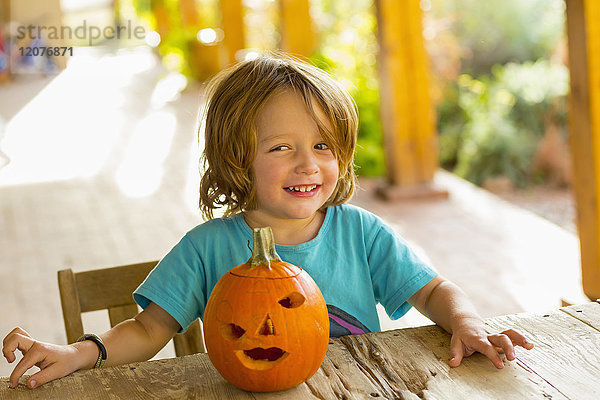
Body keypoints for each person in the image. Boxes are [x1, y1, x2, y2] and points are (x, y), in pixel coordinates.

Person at [2, 53, 533, 389]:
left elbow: (434, 290)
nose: (308, 164)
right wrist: (81, 351)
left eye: (323, 145)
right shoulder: (206, 248)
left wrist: (466, 322)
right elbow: (147, 330)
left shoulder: (362, 233)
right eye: (281, 147)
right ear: (238, 158)